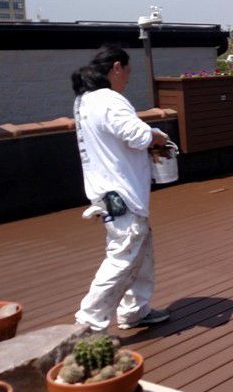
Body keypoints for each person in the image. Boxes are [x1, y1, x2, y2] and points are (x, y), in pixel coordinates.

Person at [71, 45, 171, 331]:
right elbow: (136, 134)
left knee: (140, 250)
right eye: (127, 71)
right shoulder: (109, 100)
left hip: (108, 191)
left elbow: (115, 140)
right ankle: (87, 324)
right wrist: (157, 136)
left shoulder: (84, 101)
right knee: (124, 256)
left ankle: (135, 311)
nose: (127, 77)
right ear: (116, 67)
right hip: (122, 195)